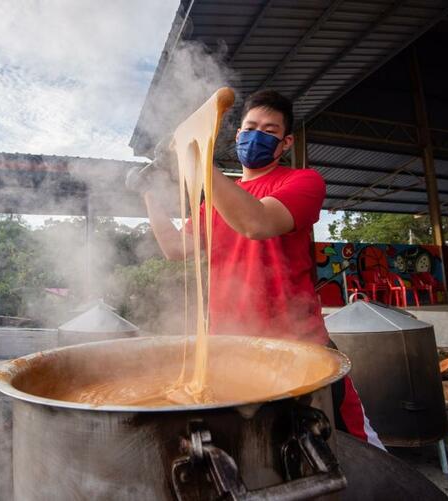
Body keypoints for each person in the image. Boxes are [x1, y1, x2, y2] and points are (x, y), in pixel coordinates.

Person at [133, 89, 384, 449]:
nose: (257, 135)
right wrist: (148, 197)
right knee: (254, 455)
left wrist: (195, 153)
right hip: (230, 349)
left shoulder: (302, 182)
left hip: (299, 351)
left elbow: (256, 221)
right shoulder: (217, 202)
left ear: (285, 143)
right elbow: (176, 249)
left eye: (269, 130)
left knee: (353, 450)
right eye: (250, 127)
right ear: (237, 136)